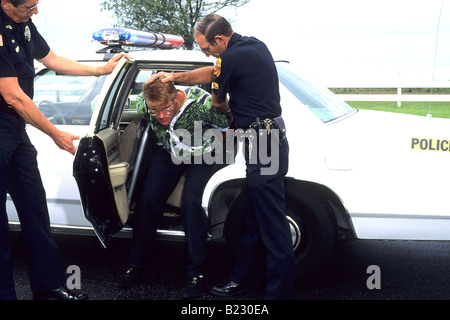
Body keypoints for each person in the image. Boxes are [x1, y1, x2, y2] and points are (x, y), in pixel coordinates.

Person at [152, 14, 294, 300]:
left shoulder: (229, 59)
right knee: (253, 222)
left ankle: (278, 293)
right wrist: (176, 77)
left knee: (273, 226)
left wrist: (227, 110)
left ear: (219, 40)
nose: (207, 53)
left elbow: (217, 99)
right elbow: (214, 70)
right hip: (265, 139)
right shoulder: (254, 46)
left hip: (263, 141)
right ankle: (242, 281)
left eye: (207, 48)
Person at [0, 0, 129, 300]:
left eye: (36, 5)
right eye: (28, 7)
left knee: (34, 208)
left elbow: (52, 59)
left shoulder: (22, 23)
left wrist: (101, 70)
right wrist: (56, 133)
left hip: (15, 129)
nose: (35, 12)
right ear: (6, 3)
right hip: (5, 121)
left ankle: (48, 286)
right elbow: (12, 95)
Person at [117, 78, 229, 299]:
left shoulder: (201, 104)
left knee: (191, 203)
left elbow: (226, 126)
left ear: (175, 97)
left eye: (165, 109)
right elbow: (148, 105)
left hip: (202, 153)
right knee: (148, 201)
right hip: (170, 152)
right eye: (155, 112)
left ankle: (197, 275)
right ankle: (136, 265)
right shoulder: (145, 104)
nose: (161, 116)